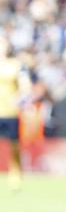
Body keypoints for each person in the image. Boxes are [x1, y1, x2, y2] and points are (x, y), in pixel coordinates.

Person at [0, 38, 31, 191]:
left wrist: (20, 98)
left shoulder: (15, 65)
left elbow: (25, 86)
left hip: (10, 112)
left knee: (14, 145)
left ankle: (15, 176)